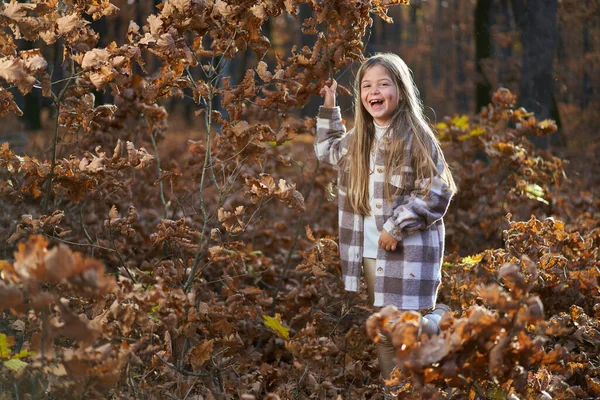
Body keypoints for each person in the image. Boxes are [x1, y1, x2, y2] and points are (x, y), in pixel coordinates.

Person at [314, 53, 457, 389]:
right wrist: (331, 102)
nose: (373, 91)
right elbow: (327, 150)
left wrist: (396, 227)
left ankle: (438, 322)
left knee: (401, 328)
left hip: (407, 249)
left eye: (382, 84)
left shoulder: (416, 135)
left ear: (401, 91)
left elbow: (438, 189)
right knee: (386, 331)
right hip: (366, 249)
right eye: (366, 85)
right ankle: (395, 392)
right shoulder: (359, 138)